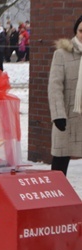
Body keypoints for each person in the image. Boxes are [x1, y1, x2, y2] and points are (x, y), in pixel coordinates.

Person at [47, 15, 82, 176]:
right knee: (61, 159)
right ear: (76, 31)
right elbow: (55, 87)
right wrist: (58, 115)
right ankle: (55, 195)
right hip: (68, 116)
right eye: (81, 30)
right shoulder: (62, 54)